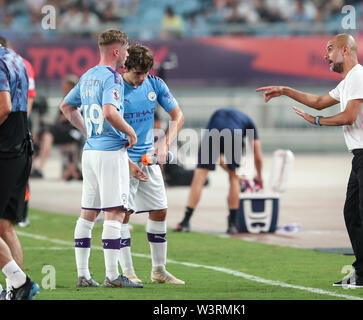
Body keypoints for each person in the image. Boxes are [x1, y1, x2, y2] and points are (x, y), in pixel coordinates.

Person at [256, 34, 363, 289]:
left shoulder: (358, 77)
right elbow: (319, 102)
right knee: (353, 212)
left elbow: (349, 116)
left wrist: (318, 121)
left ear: (345, 50)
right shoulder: (348, 82)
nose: (325, 55)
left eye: (330, 49)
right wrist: (285, 91)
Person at [60, 29, 142, 288]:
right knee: (115, 213)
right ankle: (112, 275)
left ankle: (83, 274)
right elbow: (109, 112)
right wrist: (130, 132)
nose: (127, 55)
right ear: (117, 50)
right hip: (109, 153)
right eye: (126, 50)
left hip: (91, 151)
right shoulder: (112, 78)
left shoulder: (87, 76)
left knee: (87, 214)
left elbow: (66, 106)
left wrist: (88, 132)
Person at [119, 43, 185, 284]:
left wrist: (165, 143)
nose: (141, 79)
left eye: (145, 73)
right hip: (123, 160)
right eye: (137, 73)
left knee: (160, 210)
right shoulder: (115, 88)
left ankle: (158, 271)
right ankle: (127, 272)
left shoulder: (155, 84)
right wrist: (124, 159)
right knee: (122, 214)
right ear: (126, 67)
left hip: (148, 159)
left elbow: (178, 116)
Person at [174, 107, 263, 234]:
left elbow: (220, 160)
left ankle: (185, 222)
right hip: (234, 135)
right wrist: (259, 177)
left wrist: (233, 173)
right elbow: (258, 156)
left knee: (199, 176)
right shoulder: (249, 123)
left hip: (212, 133)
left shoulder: (220, 115)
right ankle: (232, 224)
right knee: (233, 178)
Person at [0, 41, 39, 299]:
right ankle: (15, 289)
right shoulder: (16, 59)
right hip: (21, 148)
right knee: (5, 226)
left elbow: (3, 106)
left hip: (4, 150)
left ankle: (19, 282)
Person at [0, 36, 36, 228]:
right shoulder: (20, 61)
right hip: (21, 137)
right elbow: (28, 97)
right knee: (6, 225)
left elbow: (4, 106)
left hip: (5, 144)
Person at [31, 74, 84, 181]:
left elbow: (69, 117)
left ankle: (39, 167)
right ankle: (33, 167)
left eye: (65, 86)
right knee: (44, 134)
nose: (63, 88)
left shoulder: (79, 98)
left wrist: (61, 118)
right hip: (61, 130)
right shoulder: (65, 99)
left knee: (47, 134)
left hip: (74, 132)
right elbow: (59, 119)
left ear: (71, 86)